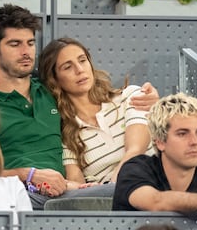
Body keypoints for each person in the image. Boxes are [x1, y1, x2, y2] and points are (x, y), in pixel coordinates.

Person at [0, 4, 159, 209]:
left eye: (30, 43)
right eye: (15, 44)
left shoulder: (52, 93)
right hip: (17, 193)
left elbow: (93, 93)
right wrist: (27, 175)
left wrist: (152, 99)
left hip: (65, 193)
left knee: (128, 188)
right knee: (130, 188)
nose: (25, 52)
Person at [38, 37, 153, 186]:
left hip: (149, 184)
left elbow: (136, 149)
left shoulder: (130, 96)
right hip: (107, 202)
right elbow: (76, 181)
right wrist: (87, 190)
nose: (79, 70)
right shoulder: (65, 132)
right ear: (55, 79)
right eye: (67, 67)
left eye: (82, 60)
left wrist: (115, 185)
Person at [112, 92, 197, 212]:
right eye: (182, 134)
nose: (194, 141)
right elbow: (156, 202)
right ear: (160, 141)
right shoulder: (135, 169)